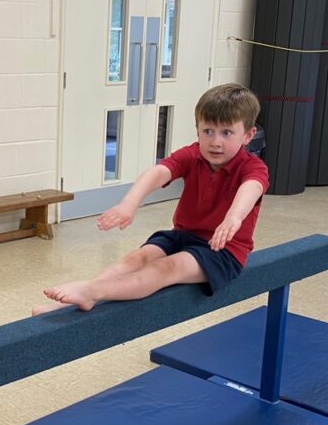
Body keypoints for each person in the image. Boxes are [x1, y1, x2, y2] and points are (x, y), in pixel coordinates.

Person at [34, 83, 268, 314]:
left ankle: (93, 293)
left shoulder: (252, 167)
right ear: (198, 130)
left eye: (226, 133)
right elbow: (158, 173)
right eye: (208, 131)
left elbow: (251, 188)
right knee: (138, 257)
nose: (215, 141)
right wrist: (129, 203)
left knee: (166, 267)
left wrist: (233, 218)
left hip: (222, 251)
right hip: (183, 236)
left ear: (248, 135)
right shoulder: (194, 154)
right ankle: (77, 298)